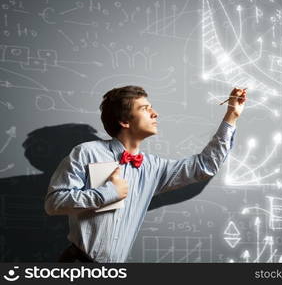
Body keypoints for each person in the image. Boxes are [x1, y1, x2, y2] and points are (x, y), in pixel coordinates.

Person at [44, 85, 247, 263]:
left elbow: (204, 166)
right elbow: (53, 203)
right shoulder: (87, 152)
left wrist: (232, 115)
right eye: (145, 108)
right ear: (124, 121)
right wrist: (107, 193)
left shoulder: (153, 168)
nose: (155, 113)